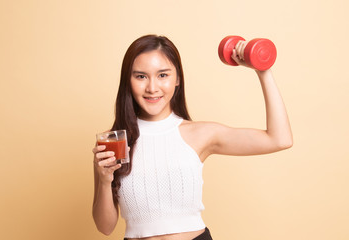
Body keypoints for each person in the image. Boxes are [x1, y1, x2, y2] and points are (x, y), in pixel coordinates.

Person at [92, 34, 293, 240]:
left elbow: (280, 139)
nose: (152, 88)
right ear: (128, 80)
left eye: (163, 75)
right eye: (141, 76)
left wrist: (262, 70)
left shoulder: (200, 134)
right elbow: (105, 227)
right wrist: (105, 180)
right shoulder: (113, 142)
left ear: (177, 78)